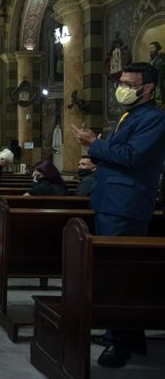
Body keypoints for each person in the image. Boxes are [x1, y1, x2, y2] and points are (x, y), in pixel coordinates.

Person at [72, 62, 165, 368]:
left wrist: (94, 144)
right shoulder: (129, 116)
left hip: (126, 205)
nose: (122, 88)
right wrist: (99, 146)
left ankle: (121, 342)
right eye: (121, 82)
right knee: (114, 273)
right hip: (112, 202)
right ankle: (125, 335)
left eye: (129, 83)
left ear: (148, 88)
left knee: (121, 275)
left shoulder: (154, 118)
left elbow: (131, 157)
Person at [148, 41, 165, 105]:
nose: (150, 50)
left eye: (152, 48)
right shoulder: (151, 59)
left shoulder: (162, 59)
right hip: (153, 83)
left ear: (157, 48)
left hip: (160, 83)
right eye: (150, 48)